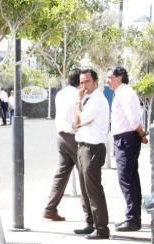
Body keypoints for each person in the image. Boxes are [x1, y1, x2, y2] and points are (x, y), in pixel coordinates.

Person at [106, 67, 148, 232]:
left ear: (120, 77)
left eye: (110, 77)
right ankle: (134, 217)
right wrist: (141, 135)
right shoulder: (122, 92)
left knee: (126, 179)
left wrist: (142, 134)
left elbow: (133, 119)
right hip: (126, 138)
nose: (107, 80)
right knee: (131, 178)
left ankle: (132, 219)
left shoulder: (124, 93)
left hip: (126, 139)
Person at [72, 69, 110, 240]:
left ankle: (101, 228)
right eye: (81, 82)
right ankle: (90, 223)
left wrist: (78, 102)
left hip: (93, 149)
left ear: (96, 82)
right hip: (82, 147)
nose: (83, 85)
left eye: (87, 81)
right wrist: (79, 103)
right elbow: (75, 123)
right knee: (84, 189)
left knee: (93, 189)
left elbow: (79, 121)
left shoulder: (97, 100)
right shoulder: (87, 100)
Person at [43, 68, 81, 221]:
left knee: (61, 174)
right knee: (85, 175)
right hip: (74, 136)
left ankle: (50, 208)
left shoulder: (61, 93)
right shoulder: (79, 95)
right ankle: (89, 213)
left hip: (61, 136)